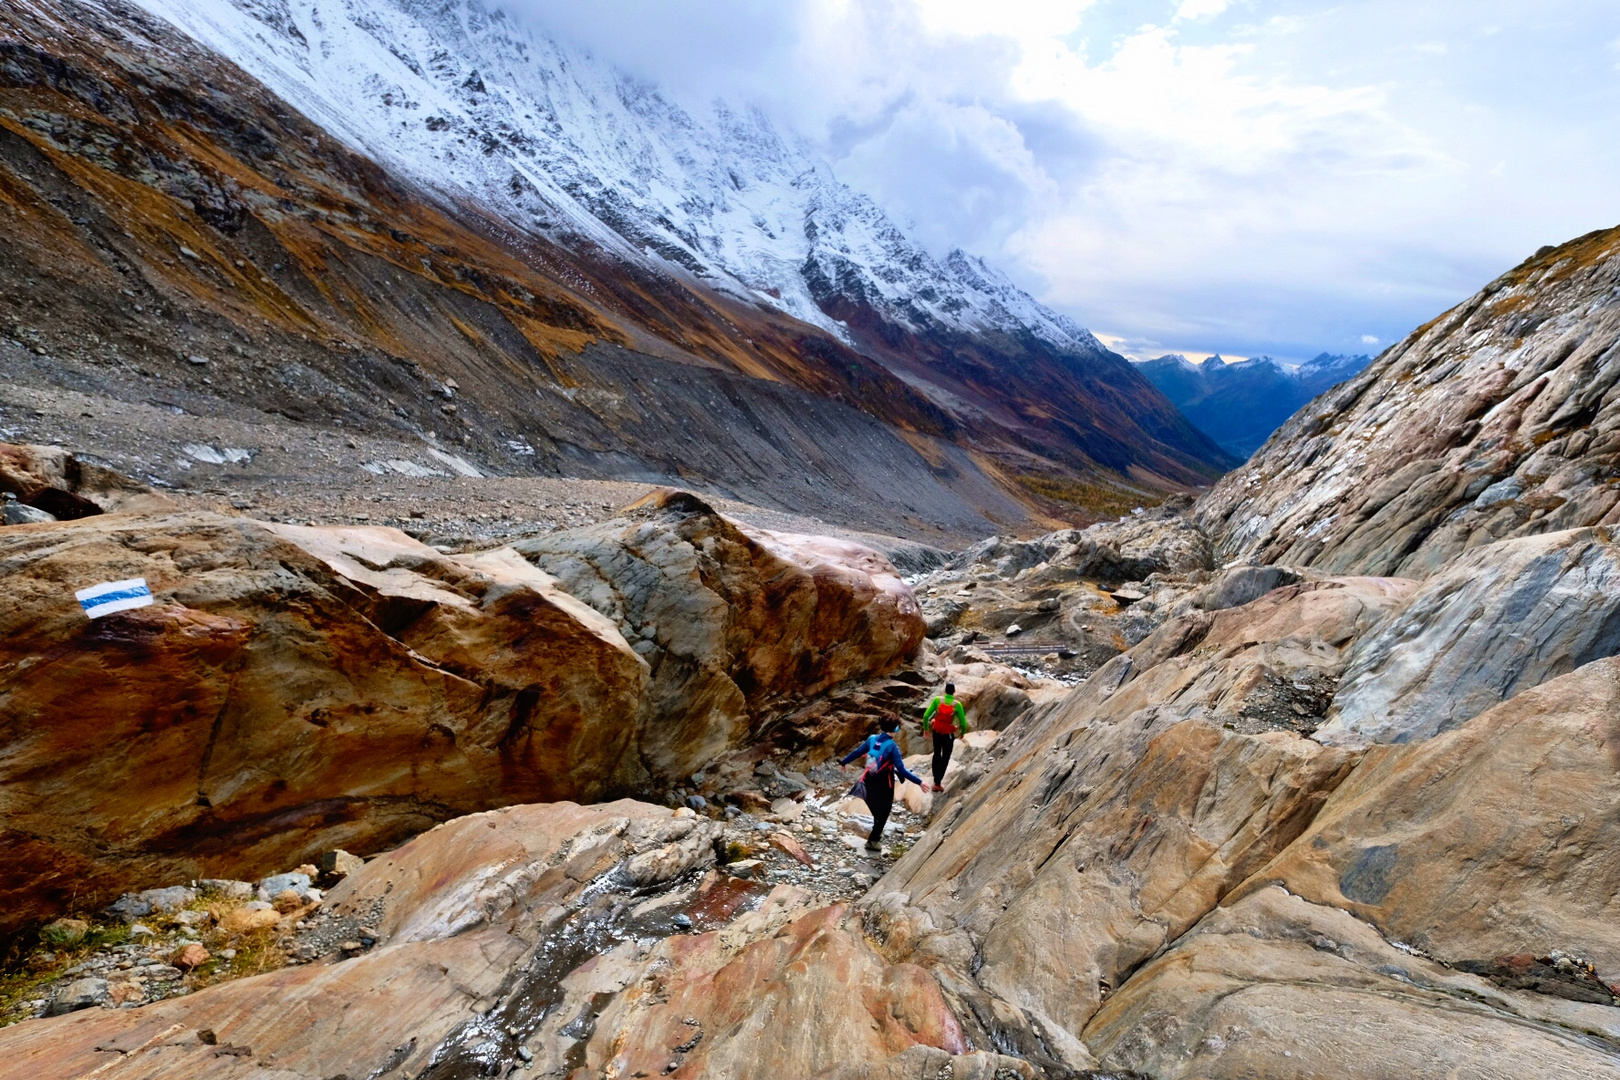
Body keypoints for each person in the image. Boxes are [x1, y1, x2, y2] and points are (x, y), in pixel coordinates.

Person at [839, 716, 923, 852]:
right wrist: (919, 782)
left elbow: (858, 752)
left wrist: (844, 762)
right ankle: (873, 841)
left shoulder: (872, 739)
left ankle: (874, 834)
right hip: (885, 782)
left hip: (869, 779)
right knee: (884, 812)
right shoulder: (892, 747)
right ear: (895, 729)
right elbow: (901, 770)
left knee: (875, 805)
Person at [920, 682, 967, 791]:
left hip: (936, 731)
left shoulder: (937, 700)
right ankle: (937, 783)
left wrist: (926, 729)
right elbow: (963, 723)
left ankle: (935, 777)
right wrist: (962, 733)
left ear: (945, 691)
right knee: (945, 757)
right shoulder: (957, 705)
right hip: (948, 735)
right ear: (954, 692)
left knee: (937, 753)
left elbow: (926, 715)